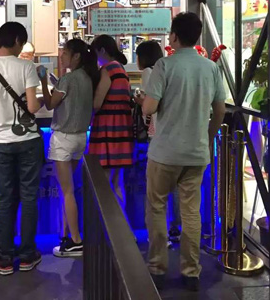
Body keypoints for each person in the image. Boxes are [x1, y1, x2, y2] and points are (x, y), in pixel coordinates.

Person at [138, 12, 226, 292]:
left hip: (164, 153)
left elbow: (149, 107)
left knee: (157, 207)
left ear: (174, 36)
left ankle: (157, 267)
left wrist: (144, 101)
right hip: (196, 153)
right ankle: (191, 272)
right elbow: (220, 111)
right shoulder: (210, 68)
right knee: (190, 212)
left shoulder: (164, 65)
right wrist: (208, 138)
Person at [0, 22, 44, 276]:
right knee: (29, 197)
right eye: (21, 43)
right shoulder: (26, 66)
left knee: (3, 199)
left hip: (1, 143)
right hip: (29, 141)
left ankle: (3, 257)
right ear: (15, 41)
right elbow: (33, 108)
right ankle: (27, 255)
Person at [39, 39, 99, 258]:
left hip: (63, 138)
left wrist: (43, 81)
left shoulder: (68, 79)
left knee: (67, 192)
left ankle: (75, 240)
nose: (61, 56)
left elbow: (50, 103)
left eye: (65, 53)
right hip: (80, 138)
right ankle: (65, 236)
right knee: (69, 189)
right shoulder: (88, 78)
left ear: (76, 56)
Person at [136, 41, 180, 247]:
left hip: (157, 136)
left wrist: (139, 101)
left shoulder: (148, 72)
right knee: (178, 189)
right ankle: (176, 230)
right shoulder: (169, 69)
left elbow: (150, 105)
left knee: (157, 193)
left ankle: (157, 238)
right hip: (175, 136)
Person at [89, 35, 134, 211]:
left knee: (103, 181)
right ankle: (121, 222)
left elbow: (97, 103)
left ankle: (106, 224)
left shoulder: (107, 69)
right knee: (117, 182)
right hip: (121, 129)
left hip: (107, 129)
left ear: (101, 51)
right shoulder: (121, 69)